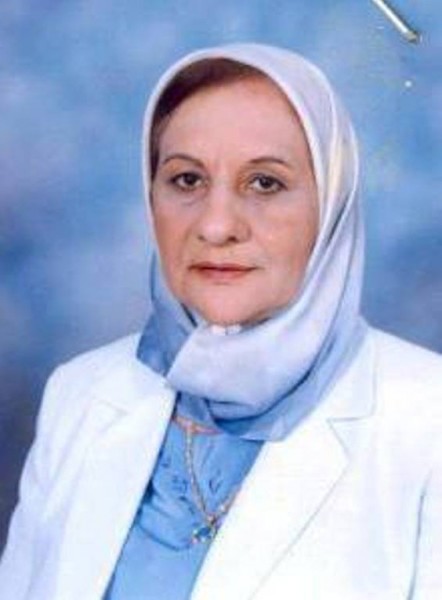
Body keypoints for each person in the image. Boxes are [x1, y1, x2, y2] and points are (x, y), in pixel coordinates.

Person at [0, 42, 441, 600]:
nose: (215, 226)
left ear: (331, 203)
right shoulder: (79, 394)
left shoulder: (427, 423)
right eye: (187, 180)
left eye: (265, 183)